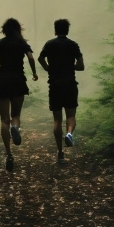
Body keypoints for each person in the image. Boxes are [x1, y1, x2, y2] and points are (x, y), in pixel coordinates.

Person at [0, 18, 38, 171]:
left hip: (2, 81)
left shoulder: (0, 42)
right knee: (15, 115)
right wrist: (35, 73)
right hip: (18, 81)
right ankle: (15, 127)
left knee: (4, 119)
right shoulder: (22, 43)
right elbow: (31, 57)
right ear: (18, 29)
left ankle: (9, 154)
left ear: (4, 29)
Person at [38, 18, 85, 165]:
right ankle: (70, 133)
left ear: (55, 30)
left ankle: (60, 153)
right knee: (71, 115)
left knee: (57, 119)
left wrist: (48, 68)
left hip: (55, 85)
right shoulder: (73, 45)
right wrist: (70, 67)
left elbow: (40, 58)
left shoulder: (49, 44)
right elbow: (81, 66)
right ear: (68, 30)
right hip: (70, 84)